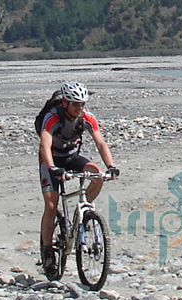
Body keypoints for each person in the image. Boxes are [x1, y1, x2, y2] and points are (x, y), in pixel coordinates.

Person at [38, 81, 119, 278]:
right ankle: (48, 252)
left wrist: (111, 166)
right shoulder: (52, 117)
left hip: (72, 157)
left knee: (97, 174)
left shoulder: (87, 117)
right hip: (52, 160)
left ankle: (83, 211)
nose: (79, 108)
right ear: (65, 103)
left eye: (82, 104)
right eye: (75, 104)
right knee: (51, 205)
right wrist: (52, 168)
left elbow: (100, 142)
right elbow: (44, 145)